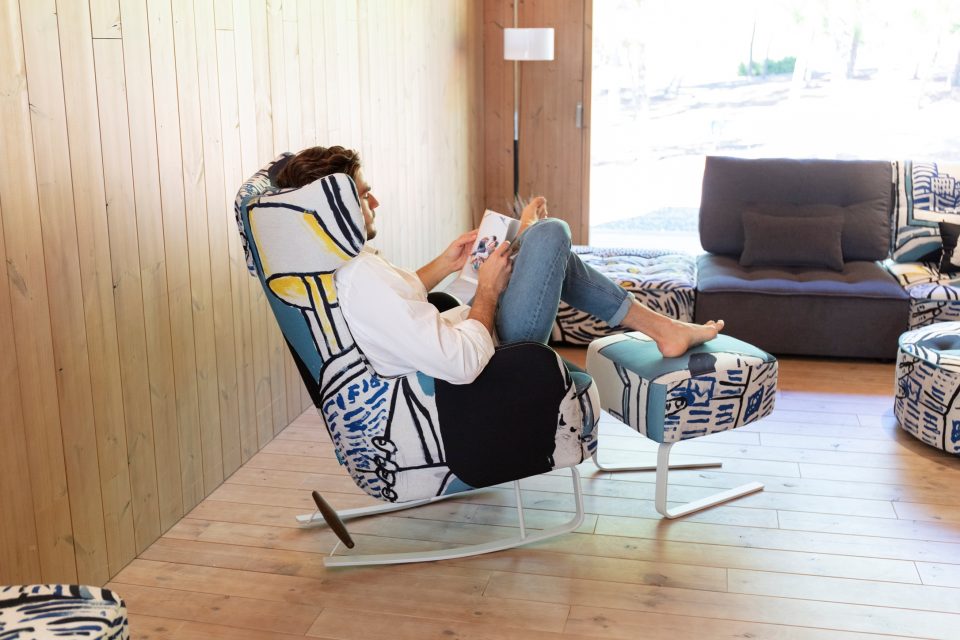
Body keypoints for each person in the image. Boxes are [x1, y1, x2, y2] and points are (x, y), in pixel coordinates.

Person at [275, 145, 724, 385]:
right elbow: (462, 364)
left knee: (547, 248)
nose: (374, 202)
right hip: (490, 364)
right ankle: (663, 327)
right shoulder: (359, 279)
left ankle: (663, 329)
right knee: (552, 234)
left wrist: (448, 263)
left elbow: (400, 302)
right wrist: (488, 290)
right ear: (334, 207)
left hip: (465, 328)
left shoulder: (345, 266)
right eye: (362, 195)